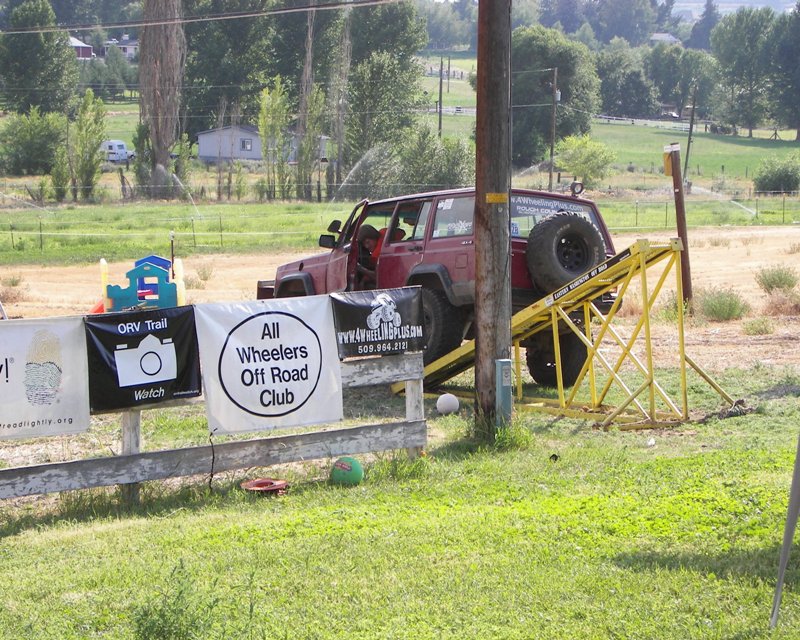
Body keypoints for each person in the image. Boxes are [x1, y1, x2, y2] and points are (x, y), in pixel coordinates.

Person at [354, 224, 380, 289]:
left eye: (368, 242)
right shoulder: (383, 235)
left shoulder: (379, 253)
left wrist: (360, 268)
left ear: (374, 237)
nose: (366, 246)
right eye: (364, 244)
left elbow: (378, 277)